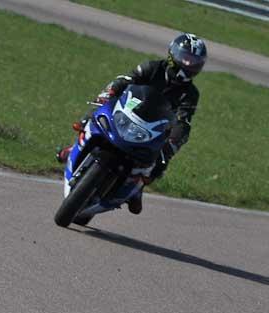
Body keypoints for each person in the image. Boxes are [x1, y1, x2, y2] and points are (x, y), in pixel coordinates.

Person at [56, 33, 207, 215]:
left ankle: (137, 189)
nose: (188, 64)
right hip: (128, 111)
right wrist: (111, 91)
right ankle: (75, 145)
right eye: (185, 58)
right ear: (172, 54)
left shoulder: (190, 93)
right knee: (100, 111)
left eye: (193, 61)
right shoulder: (152, 67)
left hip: (154, 128)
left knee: (161, 160)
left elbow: (184, 120)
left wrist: (174, 140)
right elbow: (126, 80)